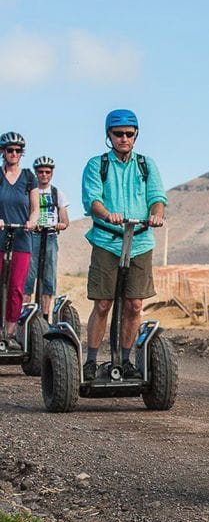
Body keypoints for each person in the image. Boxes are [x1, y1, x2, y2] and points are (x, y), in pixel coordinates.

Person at [80, 109, 166, 381]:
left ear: (136, 135)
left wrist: (157, 214)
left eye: (129, 134)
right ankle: (91, 361)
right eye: (118, 134)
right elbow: (92, 200)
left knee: (135, 304)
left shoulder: (146, 165)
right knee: (103, 304)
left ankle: (126, 361)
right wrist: (107, 214)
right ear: (109, 135)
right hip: (107, 240)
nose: (124, 139)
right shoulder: (98, 165)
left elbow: (157, 196)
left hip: (139, 241)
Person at [0, 132, 39, 345]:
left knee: (16, 286)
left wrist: (32, 221)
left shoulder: (29, 177)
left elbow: (35, 209)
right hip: (0, 236)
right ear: (3, 152)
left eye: (17, 150)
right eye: (9, 150)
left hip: (22, 238)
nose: (13, 153)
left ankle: (10, 331)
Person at [23, 156, 70, 321]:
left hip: (50, 237)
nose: (44, 175)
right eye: (41, 172)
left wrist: (60, 224)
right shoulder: (29, 192)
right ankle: (25, 316)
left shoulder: (58, 193)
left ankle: (44, 317)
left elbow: (65, 220)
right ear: (36, 173)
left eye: (47, 172)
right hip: (32, 237)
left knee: (49, 277)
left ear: (52, 173)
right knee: (28, 277)